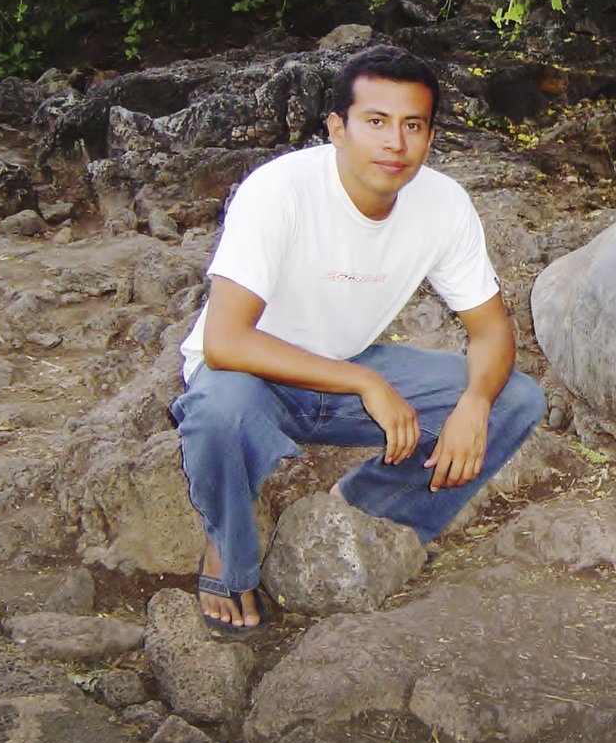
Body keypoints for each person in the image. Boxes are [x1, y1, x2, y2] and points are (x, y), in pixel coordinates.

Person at [170, 45, 545, 632]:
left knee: (515, 399)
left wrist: (473, 404)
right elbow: (224, 342)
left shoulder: (443, 204)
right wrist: (365, 381)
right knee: (220, 411)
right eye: (376, 122)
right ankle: (230, 552)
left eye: (412, 125)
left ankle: (365, 515)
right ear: (337, 129)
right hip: (253, 376)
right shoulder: (279, 191)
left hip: (346, 367)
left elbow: (491, 327)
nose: (395, 143)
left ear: (428, 134)